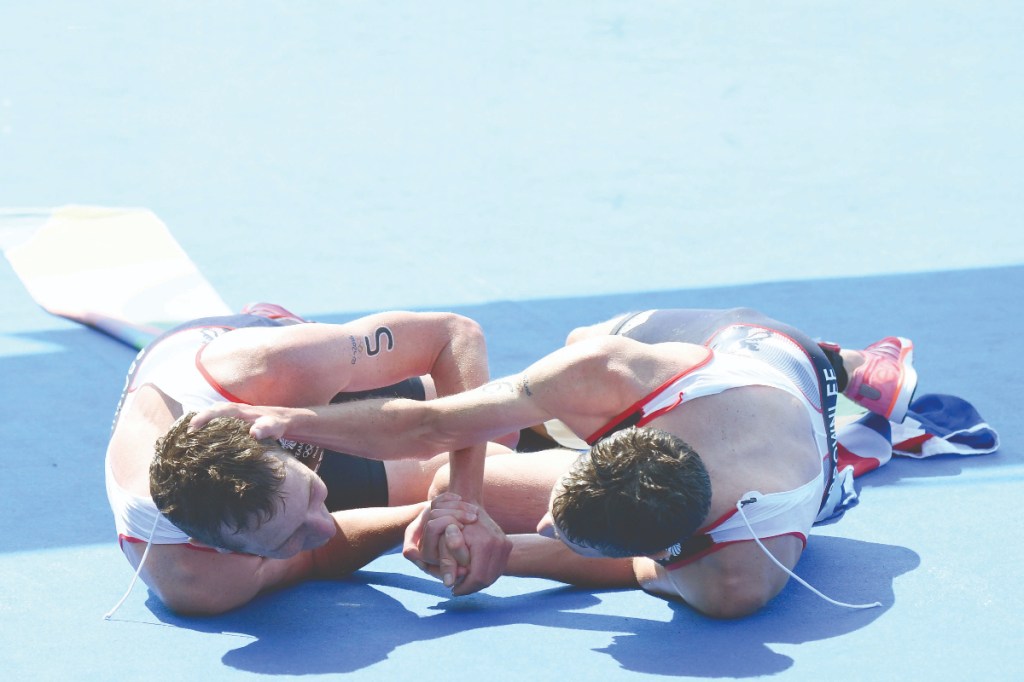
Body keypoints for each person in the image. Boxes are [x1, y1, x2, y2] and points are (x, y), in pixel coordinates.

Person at [193, 306, 916, 618]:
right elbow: (430, 422)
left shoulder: (735, 581)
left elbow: (634, 568)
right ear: (615, 444)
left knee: (482, 454)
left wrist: (505, 558)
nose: (546, 519)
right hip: (755, 350)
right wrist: (287, 421)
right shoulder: (604, 371)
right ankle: (843, 365)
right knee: (576, 341)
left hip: (783, 428)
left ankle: (845, 375)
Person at [106, 302, 509, 615]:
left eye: (315, 494)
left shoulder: (272, 367)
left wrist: (467, 502)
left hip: (257, 374)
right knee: (501, 475)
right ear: (232, 550)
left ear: (273, 434)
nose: (323, 524)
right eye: (287, 540)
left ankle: (276, 319)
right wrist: (424, 516)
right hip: (273, 448)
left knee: (498, 423)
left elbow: (452, 334)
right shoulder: (198, 580)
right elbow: (319, 553)